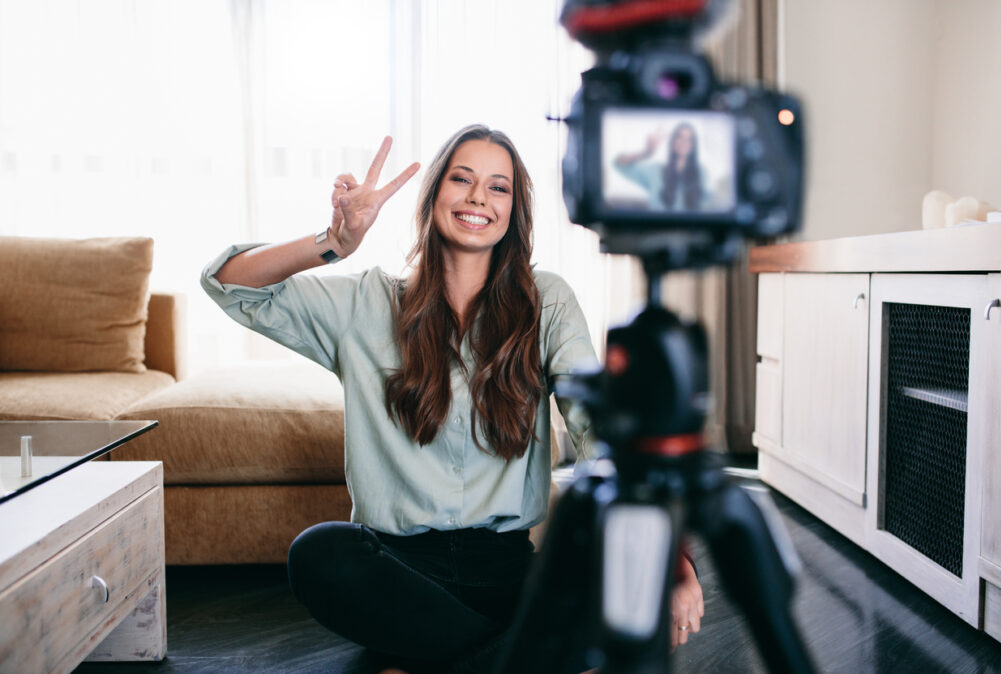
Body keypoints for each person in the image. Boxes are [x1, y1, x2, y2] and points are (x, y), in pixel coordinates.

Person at [201, 125, 703, 673]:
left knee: (621, 579)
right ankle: (507, 658)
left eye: (498, 187)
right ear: (435, 193)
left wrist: (669, 554)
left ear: (514, 210)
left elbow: (594, 424)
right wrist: (333, 243)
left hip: (509, 572)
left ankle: (424, 660)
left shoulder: (547, 299)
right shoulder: (366, 302)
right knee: (318, 554)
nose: (477, 198)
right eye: (461, 179)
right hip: (397, 572)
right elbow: (228, 283)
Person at [613, 122, 706, 212]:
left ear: (694, 145)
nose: (684, 142)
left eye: (689, 139)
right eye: (680, 137)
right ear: (672, 141)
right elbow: (619, 164)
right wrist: (646, 152)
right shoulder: (656, 171)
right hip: (659, 228)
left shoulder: (701, 173)